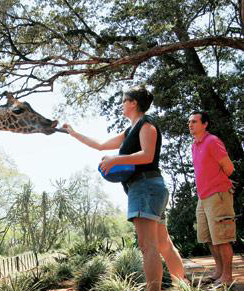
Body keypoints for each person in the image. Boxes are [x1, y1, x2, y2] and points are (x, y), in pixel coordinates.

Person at [63, 86, 186, 291]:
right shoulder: (131, 129)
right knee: (163, 243)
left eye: (124, 100)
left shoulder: (146, 124)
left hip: (145, 187)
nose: (121, 104)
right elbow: (101, 145)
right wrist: (74, 133)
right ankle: (183, 286)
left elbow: (147, 155)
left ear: (133, 103)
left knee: (149, 246)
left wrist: (116, 159)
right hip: (151, 188)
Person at [188, 111, 235, 288]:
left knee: (222, 238)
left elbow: (228, 167)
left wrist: (219, 183)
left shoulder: (212, 141)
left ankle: (227, 277)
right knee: (208, 238)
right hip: (202, 197)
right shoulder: (194, 145)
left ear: (205, 124)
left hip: (218, 194)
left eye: (194, 121)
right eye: (189, 122)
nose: (190, 124)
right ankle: (219, 272)